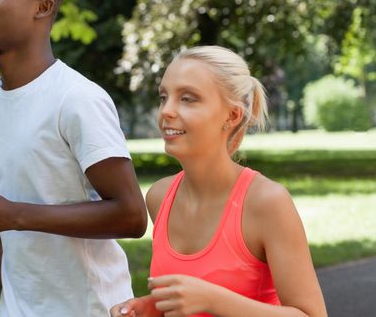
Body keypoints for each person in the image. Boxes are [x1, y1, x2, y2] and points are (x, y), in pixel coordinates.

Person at [0, 0, 148, 316]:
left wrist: (11, 216)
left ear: (42, 8)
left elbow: (131, 215)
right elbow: (29, 200)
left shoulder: (77, 99)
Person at [110, 46, 327, 317]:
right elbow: (192, 302)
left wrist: (214, 300)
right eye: (164, 97)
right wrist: (152, 307)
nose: (166, 110)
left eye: (188, 99)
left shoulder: (266, 202)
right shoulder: (159, 196)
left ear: (232, 115)